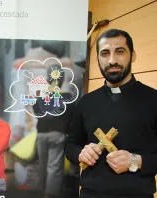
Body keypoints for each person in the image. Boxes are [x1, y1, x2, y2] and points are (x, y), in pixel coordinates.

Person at [65, 28, 157, 198]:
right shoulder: (86, 102)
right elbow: (70, 145)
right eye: (105, 53)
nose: (112, 60)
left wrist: (135, 161)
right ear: (98, 58)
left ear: (133, 55)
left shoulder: (154, 99)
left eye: (120, 52)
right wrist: (81, 153)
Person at [32, 64, 76, 198]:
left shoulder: (41, 95)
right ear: (62, 79)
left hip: (41, 134)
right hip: (58, 134)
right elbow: (71, 117)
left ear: (47, 79)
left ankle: (43, 191)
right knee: (54, 167)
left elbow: (37, 112)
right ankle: (49, 195)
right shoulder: (67, 96)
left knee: (43, 165)